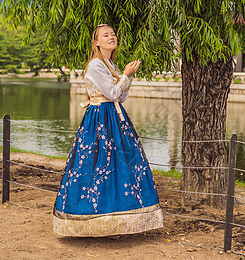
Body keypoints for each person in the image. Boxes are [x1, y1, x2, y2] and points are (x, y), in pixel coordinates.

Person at [53, 24, 163, 236]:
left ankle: (117, 217)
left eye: (113, 34)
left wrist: (127, 77)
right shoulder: (96, 65)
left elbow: (121, 97)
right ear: (97, 42)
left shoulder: (109, 64)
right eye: (106, 35)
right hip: (100, 118)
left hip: (112, 116)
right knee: (96, 165)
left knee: (119, 164)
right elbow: (112, 94)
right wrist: (127, 74)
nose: (111, 37)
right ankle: (90, 219)